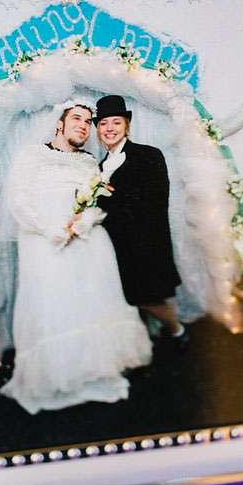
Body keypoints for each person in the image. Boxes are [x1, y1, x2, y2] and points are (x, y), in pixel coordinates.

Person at [0, 102, 152, 414]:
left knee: (92, 303)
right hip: (44, 242)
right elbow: (17, 199)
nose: (84, 125)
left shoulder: (89, 161)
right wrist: (48, 228)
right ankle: (59, 374)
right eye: (77, 119)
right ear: (59, 123)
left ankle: (96, 369)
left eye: (88, 121)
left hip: (88, 241)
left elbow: (99, 202)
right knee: (55, 304)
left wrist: (86, 221)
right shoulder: (32, 155)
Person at [94, 95, 187, 345]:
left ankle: (178, 331)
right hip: (117, 246)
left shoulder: (149, 155)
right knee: (130, 302)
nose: (109, 128)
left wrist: (106, 205)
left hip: (146, 242)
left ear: (127, 126)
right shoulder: (100, 167)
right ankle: (147, 342)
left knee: (146, 298)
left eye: (116, 122)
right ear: (98, 130)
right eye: (103, 124)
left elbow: (155, 201)